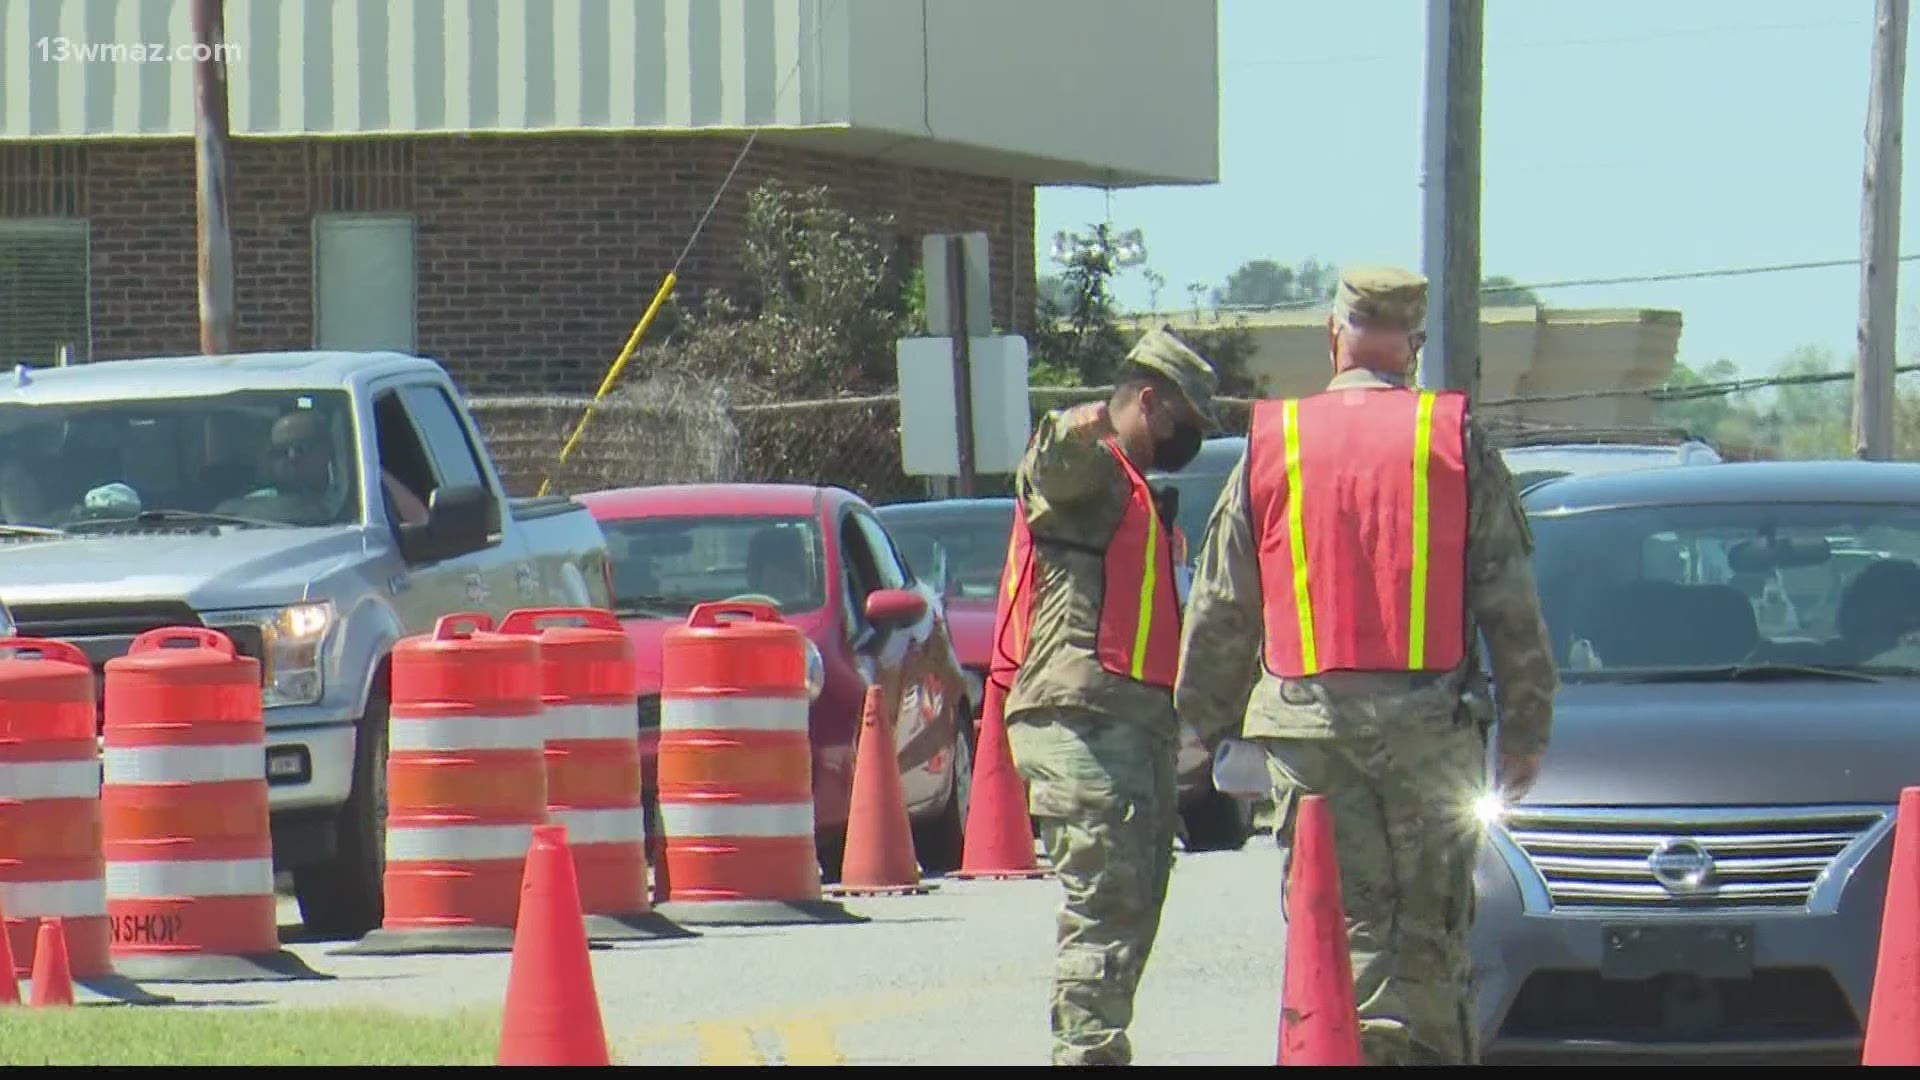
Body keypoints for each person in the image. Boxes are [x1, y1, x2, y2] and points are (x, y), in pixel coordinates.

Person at [1173, 266, 1560, 1066]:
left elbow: (1221, 604)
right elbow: (1510, 601)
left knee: (1335, 931)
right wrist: (1526, 727)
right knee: (1428, 939)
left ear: (1333, 335)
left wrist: (1194, 727)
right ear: (1414, 347)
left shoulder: (1273, 441)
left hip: (1308, 735)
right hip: (1430, 731)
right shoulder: (1451, 440)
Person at [985, 326, 1219, 1066]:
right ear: (1147, 402)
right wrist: (1080, 421)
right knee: (1104, 907)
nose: (1190, 439)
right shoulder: (1092, 473)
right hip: (1082, 722)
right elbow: (1050, 462)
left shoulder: (1141, 491)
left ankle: (1095, 1050)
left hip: (1136, 725)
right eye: (1183, 420)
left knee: (1138, 902)